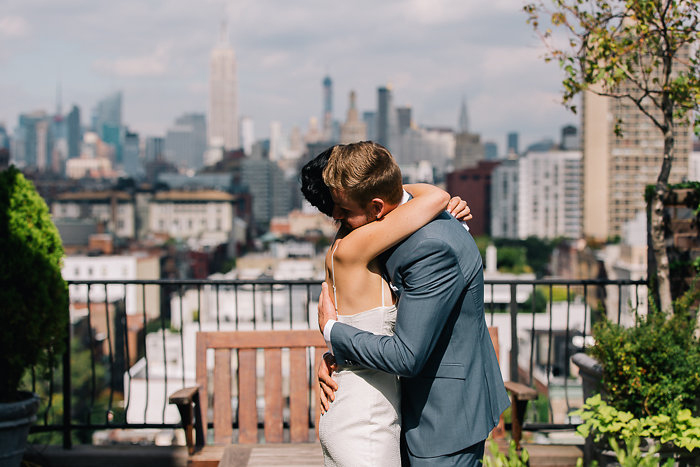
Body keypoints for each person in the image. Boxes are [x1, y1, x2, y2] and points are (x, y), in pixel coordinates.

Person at [316, 141, 510, 466]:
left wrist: (333, 331)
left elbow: (407, 355)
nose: (336, 217)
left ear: (378, 207)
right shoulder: (394, 226)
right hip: (404, 406)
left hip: (442, 417)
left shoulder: (430, 248)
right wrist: (338, 356)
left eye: (344, 210)